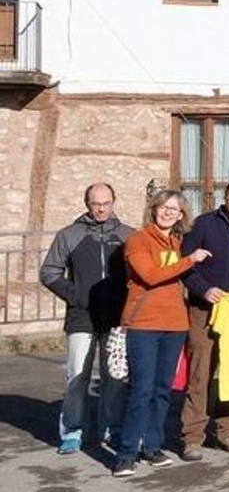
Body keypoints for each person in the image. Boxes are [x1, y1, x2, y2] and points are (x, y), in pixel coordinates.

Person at [113, 190, 210, 477]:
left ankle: (152, 447)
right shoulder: (138, 240)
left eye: (175, 209)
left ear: (181, 215)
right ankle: (126, 453)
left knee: (162, 391)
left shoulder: (178, 242)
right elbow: (151, 275)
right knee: (141, 390)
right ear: (154, 209)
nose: (168, 212)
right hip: (144, 324)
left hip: (175, 325)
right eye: (164, 207)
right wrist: (189, 260)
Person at [39, 183, 134, 455]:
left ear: (114, 201)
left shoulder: (129, 236)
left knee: (114, 377)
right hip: (81, 317)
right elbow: (49, 272)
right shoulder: (69, 235)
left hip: (117, 318)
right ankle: (72, 432)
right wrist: (77, 296)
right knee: (77, 376)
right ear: (87, 204)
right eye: (95, 204)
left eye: (106, 203)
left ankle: (112, 429)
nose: (101, 209)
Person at [177, 177, 229, 460]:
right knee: (200, 373)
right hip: (205, 309)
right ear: (226, 196)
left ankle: (228, 431)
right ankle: (192, 436)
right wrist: (203, 289)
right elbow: (185, 265)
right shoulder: (203, 224)